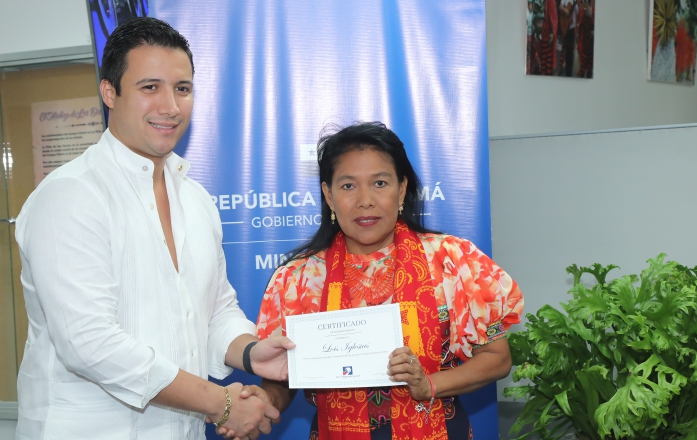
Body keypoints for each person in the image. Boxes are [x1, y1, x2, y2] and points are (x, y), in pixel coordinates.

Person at [14, 17, 294, 440]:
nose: (171, 106)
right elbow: (90, 344)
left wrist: (253, 353)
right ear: (110, 92)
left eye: (182, 88)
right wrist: (221, 404)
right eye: (150, 88)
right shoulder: (71, 195)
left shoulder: (195, 198)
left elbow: (214, 310)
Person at [253, 122, 524, 439]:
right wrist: (264, 401)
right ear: (328, 194)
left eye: (380, 183)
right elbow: (283, 377)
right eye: (348, 186)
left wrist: (429, 385)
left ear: (402, 188)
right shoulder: (298, 279)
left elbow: (497, 358)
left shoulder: (452, 260)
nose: (365, 200)